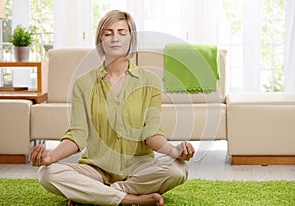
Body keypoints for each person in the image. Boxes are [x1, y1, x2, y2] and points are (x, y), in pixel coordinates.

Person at [29, 10, 195, 206]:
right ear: (100, 40)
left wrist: (174, 151)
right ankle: (130, 199)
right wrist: (49, 157)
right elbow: (77, 135)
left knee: (178, 170)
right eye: (108, 33)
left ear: (131, 38)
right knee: (47, 173)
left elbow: (151, 134)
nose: (115, 38)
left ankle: (96, 195)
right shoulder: (83, 83)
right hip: (95, 170)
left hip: (139, 169)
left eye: (122, 33)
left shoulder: (149, 81)